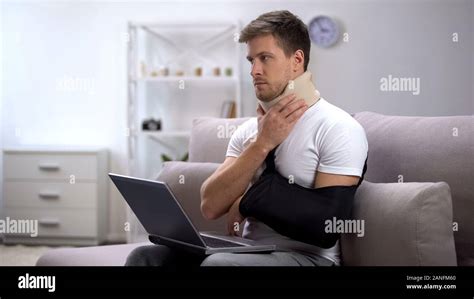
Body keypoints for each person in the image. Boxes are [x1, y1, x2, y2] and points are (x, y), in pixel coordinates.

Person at [125, 10, 368, 267]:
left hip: (309, 258)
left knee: (220, 265)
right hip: (247, 251)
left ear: (297, 60)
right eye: (251, 60)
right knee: (145, 257)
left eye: (265, 58)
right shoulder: (249, 133)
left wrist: (246, 202)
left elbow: (325, 227)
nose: (254, 71)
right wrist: (262, 143)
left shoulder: (338, 127)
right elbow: (211, 205)